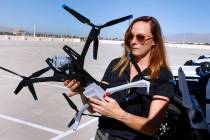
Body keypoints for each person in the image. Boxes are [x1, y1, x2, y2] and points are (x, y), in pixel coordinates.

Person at [64, 16, 175, 140]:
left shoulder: (163, 75)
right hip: (102, 136)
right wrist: (82, 91)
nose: (133, 41)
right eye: (130, 36)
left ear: (154, 41)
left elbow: (153, 127)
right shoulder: (116, 65)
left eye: (140, 37)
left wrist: (119, 114)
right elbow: (92, 108)